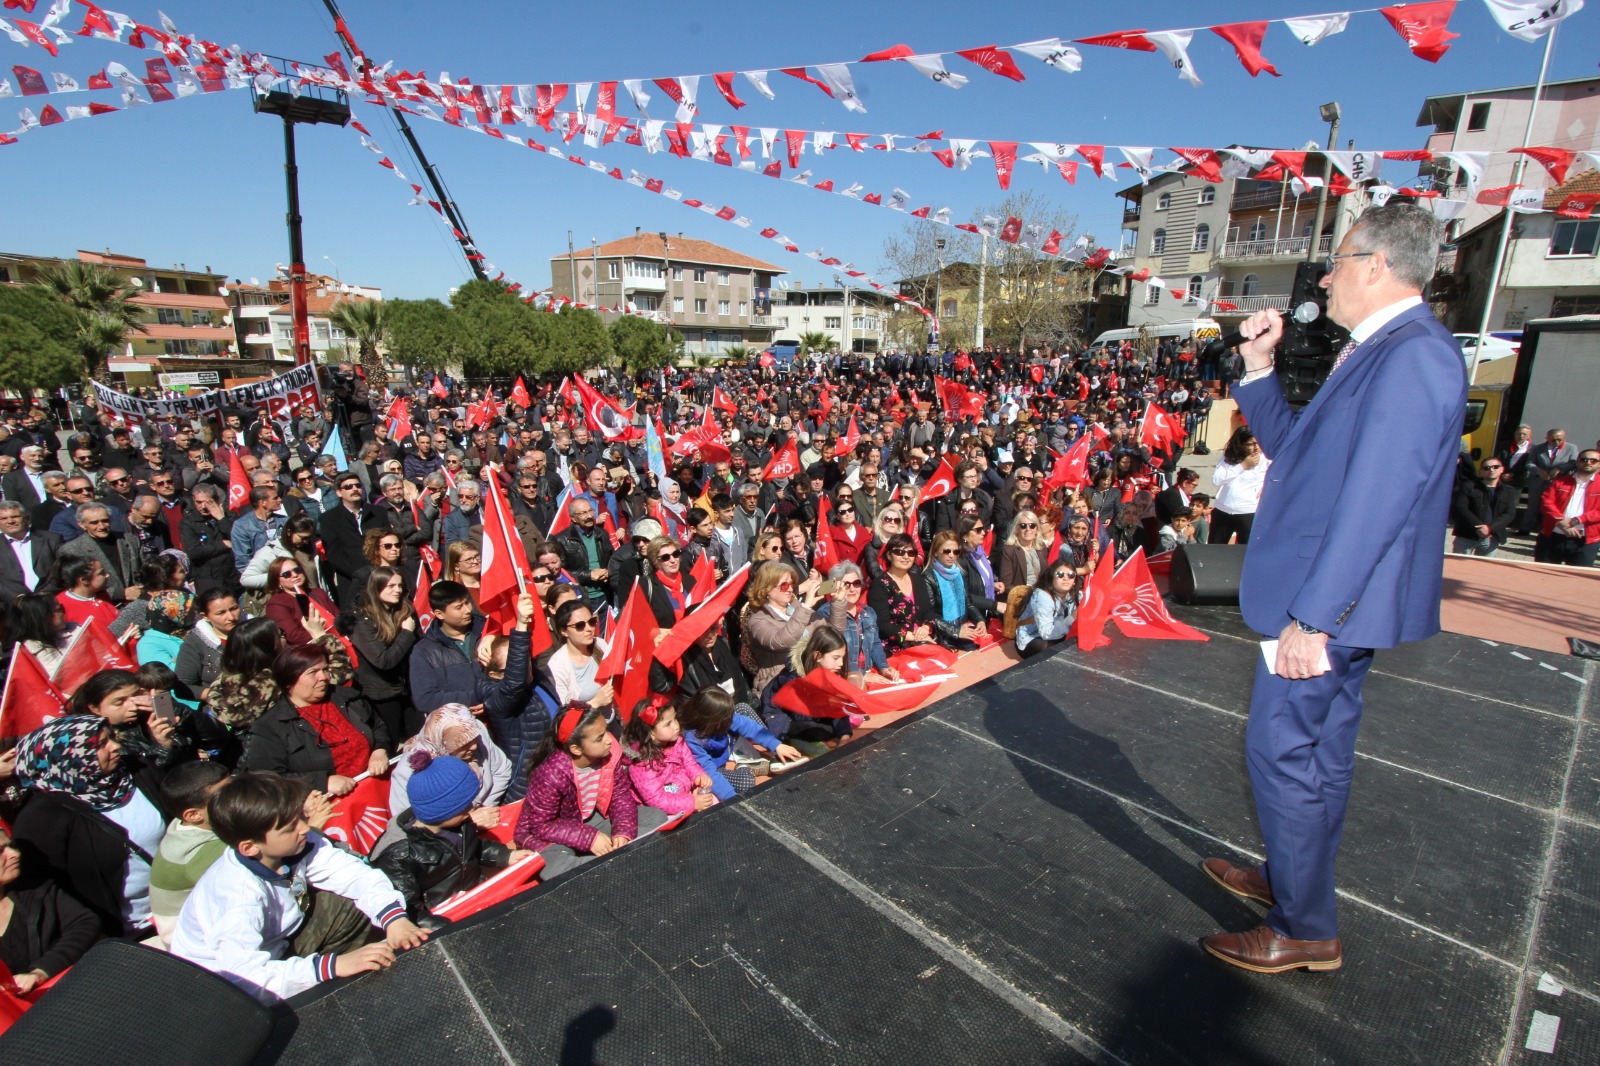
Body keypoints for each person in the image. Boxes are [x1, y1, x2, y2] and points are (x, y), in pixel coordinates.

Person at [1201, 203, 1467, 975]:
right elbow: (1299, 456)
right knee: (1316, 756)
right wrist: (1257, 369)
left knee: (1282, 752)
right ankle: (1293, 881)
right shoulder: (1378, 350)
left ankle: (1305, 926)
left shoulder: (1413, 355)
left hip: (1329, 603)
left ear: (1378, 266)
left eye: (1340, 259)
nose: (1325, 275)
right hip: (1335, 598)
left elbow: (1379, 500)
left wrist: (1313, 618)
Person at [169, 771, 427, 1005]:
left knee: (354, 904)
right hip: (224, 990)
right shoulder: (235, 898)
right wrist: (333, 966)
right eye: (290, 827)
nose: (305, 827)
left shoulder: (293, 845)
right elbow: (247, 979)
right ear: (249, 847)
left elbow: (352, 875)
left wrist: (394, 919)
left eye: (300, 817)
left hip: (278, 942)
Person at [10, 716, 167, 938]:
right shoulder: (43, 818)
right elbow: (49, 893)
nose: (115, 747)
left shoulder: (137, 772)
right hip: (125, 935)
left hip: (176, 910)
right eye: (101, 745)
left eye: (111, 738)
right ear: (67, 757)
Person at [370, 751, 531, 928]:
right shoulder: (398, 855)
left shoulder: (458, 821)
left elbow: (473, 847)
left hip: (475, 898)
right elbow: (409, 911)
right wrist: (446, 929)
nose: (471, 809)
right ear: (443, 810)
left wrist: (505, 856)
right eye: (464, 806)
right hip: (445, 917)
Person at [512, 702, 661, 880]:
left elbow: (620, 796)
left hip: (589, 819)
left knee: (656, 817)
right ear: (576, 748)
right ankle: (604, 866)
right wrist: (588, 838)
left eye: (606, 730)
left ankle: (600, 863)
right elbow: (540, 825)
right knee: (555, 866)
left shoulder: (610, 754)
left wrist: (622, 831)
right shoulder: (551, 773)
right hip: (550, 833)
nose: (608, 739)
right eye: (599, 738)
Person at [239, 644, 391, 798]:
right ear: (288, 681)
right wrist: (321, 782)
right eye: (313, 672)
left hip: (378, 788)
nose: (324, 677)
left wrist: (380, 750)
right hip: (326, 808)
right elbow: (267, 779)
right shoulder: (270, 728)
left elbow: (378, 726)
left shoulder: (347, 698)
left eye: (325, 669)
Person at [0, 824, 100, 995]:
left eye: (11, 846)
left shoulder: (37, 892)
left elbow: (85, 923)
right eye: (1, 851)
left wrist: (41, 972)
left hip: (68, 995)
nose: (15, 854)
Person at [386, 703, 512, 827]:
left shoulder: (473, 731)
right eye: (463, 745)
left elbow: (501, 769)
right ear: (443, 743)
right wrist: (467, 821)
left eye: (474, 740)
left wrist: (485, 809)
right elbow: (407, 823)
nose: (474, 746)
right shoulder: (409, 771)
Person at [147, 760, 231, 943]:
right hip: (193, 944)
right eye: (224, 796)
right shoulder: (199, 852)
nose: (237, 797)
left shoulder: (188, 826)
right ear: (193, 815)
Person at [677, 685, 803, 801]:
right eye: (726, 717)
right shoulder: (692, 739)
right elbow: (711, 773)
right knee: (745, 782)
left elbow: (749, 726)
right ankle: (749, 767)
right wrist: (732, 800)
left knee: (742, 707)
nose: (730, 718)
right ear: (711, 720)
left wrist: (776, 745)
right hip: (718, 766)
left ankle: (774, 757)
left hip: (730, 742)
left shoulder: (722, 717)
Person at [348, 566, 422, 744]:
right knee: (389, 742)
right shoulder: (361, 621)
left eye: (400, 585)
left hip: (407, 690)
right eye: (391, 586)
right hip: (381, 694)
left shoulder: (404, 612)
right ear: (376, 587)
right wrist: (406, 633)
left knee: (421, 739)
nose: (398, 590)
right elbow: (383, 661)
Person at [622, 695, 716, 818]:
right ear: (651, 733)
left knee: (713, 802)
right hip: (664, 811)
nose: (676, 726)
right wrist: (692, 803)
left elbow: (690, 764)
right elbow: (657, 800)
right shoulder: (641, 763)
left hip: (684, 795)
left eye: (675, 719)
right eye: (668, 724)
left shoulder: (677, 742)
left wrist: (699, 776)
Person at [740, 560, 824, 695]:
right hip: (777, 690)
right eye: (784, 585)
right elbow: (781, 641)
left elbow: (830, 637)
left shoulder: (798, 609)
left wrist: (839, 603)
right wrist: (806, 607)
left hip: (809, 683)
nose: (790, 589)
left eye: (792, 584)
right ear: (766, 588)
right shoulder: (757, 620)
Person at [812, 561, 897, 686]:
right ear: (836, 587)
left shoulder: (869, 612)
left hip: (869, 673)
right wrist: (860, 675)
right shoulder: (825, 613)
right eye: (846, 584)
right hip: (842, 678)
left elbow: (875, 644)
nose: (852, 589)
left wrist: (884, 667)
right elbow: (830, 653)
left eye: (856, 583)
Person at [540, 599, 614, 709]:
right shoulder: (557, 665)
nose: (589, 629)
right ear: (563, 631)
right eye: (580, 625)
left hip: (612, 721)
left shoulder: (600, 644)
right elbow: (564, 713)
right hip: (587, 725)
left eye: (592, 622)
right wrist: (595, 703)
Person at [868, 532, 938, 648]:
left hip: (924, 639)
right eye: (900, 552)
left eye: (911, 553)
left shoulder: (918, 579)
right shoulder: (879, 585)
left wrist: (926, 627)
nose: (906, 557)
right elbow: (882, 625)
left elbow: (929, 610)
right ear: (889, 555)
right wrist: (915, 637)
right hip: (895, 646)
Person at [174, 587, 240, 705]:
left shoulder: (258, 631)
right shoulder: (196, 642)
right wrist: (224, 697)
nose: (231, 617)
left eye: (234, 609)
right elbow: (183, 687)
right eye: (221, 613)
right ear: (205, 616)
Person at [1536, 448, 1600, 567]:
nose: (1588, 462)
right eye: (1584, 459)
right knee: (1541, 577)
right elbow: (1546, 502)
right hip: (1552, 537)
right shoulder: (1560, 482)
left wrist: (1577, 520)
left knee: (1577, 580)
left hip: (1585, 541)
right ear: (1577, 462)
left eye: (1593, 460)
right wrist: (1561, 521)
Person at [924, 529, 985, 649]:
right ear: (936, 552)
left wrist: (979, 620)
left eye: (956, 551)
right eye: (947, 551)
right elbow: (930, 615)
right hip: (943, 636)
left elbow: (968, 603)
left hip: (963, 629)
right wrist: (956, 631)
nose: (952, 555)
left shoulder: (960, 573)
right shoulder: (928, 577)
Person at [1450, 454, 1518, 556]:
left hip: (1492, 537)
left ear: (1502, 469)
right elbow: (1461, 507)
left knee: (1483, 569)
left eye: (1495, 467)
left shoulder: (1509, 491)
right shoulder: (1468, 487)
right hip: (1467, 535)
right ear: (1480, 472)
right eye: (1487, 468)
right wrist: (1478, 526)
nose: (1491, 470)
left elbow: (1509, 513)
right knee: (1458, 568)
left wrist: (1490, 528)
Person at [1209, 427, 1269, 545]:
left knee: (1244, 552)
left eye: (1257, 443)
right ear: (1240, 444)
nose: (1256, 448)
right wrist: (1243, 465)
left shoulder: (1266, 457)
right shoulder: (1228, 457)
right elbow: (1216, 480)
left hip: (1248, 511)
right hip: (1223, 509)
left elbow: (1281, 476)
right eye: (1250, 444)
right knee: (1214, 550)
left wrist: (1267, 487)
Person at [262, 556, 338, 648]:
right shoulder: (276, 604)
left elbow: (338, 617)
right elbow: (293, 635)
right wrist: (326, 635)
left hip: (338, 641)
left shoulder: (318, 593)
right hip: (309, 651)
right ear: (277, 581)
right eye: (286, 574)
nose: (294, 575)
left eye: (297, 570)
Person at [1014, 562, 1079, 657]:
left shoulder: (1074, 595)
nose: (1066, 578)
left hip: (1057, 634)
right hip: (1033, 637)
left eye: (1071, 575)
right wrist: (1072, 617)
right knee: (1058, 650)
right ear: (1051, 577)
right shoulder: (1043, 596)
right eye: (1060, 574)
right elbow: (1046, 633)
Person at [51, 555, 120, 629]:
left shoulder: (100, 594)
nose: (107, 575)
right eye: (101, 573)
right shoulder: (61, 605)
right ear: (85, 580)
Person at [441, 541, 482, 606]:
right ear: (456, 566)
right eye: (468, 559)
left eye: (477, 556)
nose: (475, 561)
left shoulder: (490, 580)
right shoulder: (453, 592)